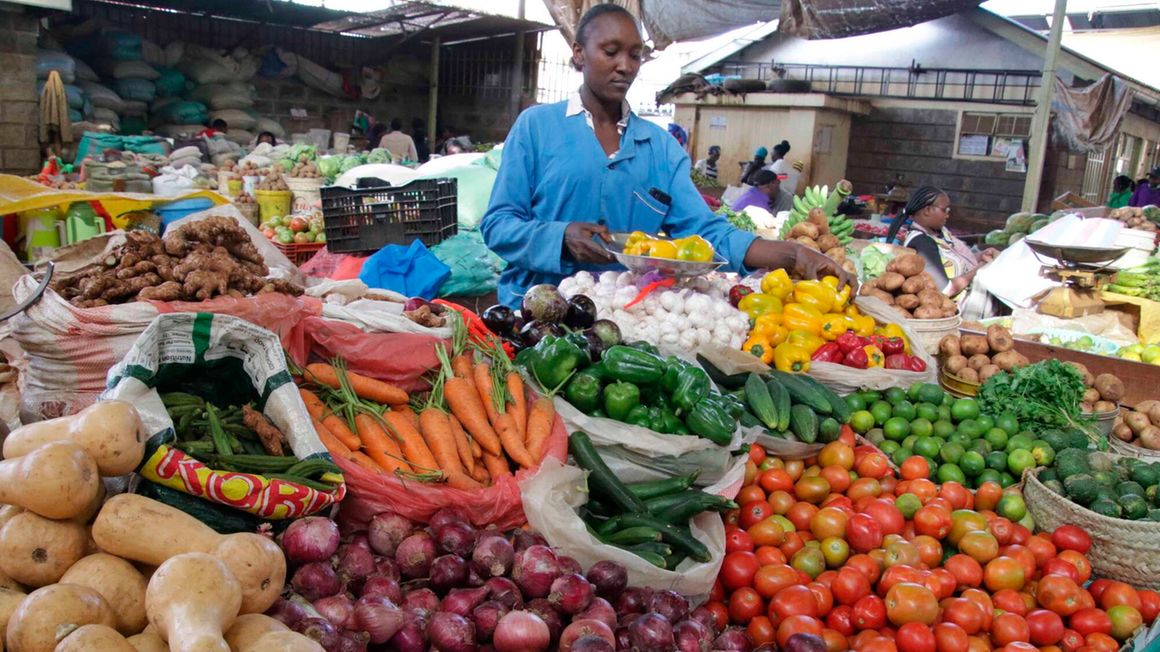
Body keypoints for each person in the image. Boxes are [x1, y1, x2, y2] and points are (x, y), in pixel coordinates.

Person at [480, 4, 849, 308]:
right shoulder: (538, 128)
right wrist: (560, 237)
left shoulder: (660, 149)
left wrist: (794, 255)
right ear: (579, 53)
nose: (624, 65)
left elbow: (705, 233)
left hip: (619, 313)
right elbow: (499, 224)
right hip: (533, 309)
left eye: (635, 55)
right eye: (610, 52)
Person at [885, 186, 999, 300]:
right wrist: (979, 269)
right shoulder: (922, 242)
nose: (947, 215)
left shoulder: (938, 233)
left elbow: (950, 261)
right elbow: (945, 290)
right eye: (944, 210)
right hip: (950, 307)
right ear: (927, 210)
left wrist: (978, 257)